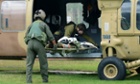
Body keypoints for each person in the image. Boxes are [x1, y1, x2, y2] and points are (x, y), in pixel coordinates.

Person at [24, 9, 57, 83]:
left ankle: (28, 81)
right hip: (39, 44)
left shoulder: (31, 25)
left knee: (29, 64)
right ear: (43, 16)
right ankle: (45, 80)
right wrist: (54, 44)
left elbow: (26, 35)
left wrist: (29, 42)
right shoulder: (43, 24)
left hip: (30, 44)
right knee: (43, 63)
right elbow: (50, 35)